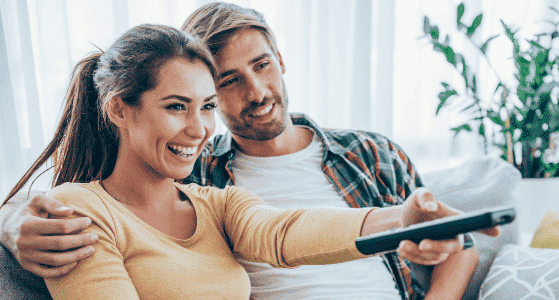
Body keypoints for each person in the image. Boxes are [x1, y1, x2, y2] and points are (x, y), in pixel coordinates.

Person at [0, 2, 495, 300]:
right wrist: (8, 220)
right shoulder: (82, 213)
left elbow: (284, 231)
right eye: (177, 106)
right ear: (119, 110)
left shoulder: (215, 201)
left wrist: (400, 220)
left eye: (206, 106)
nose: (197, 128)